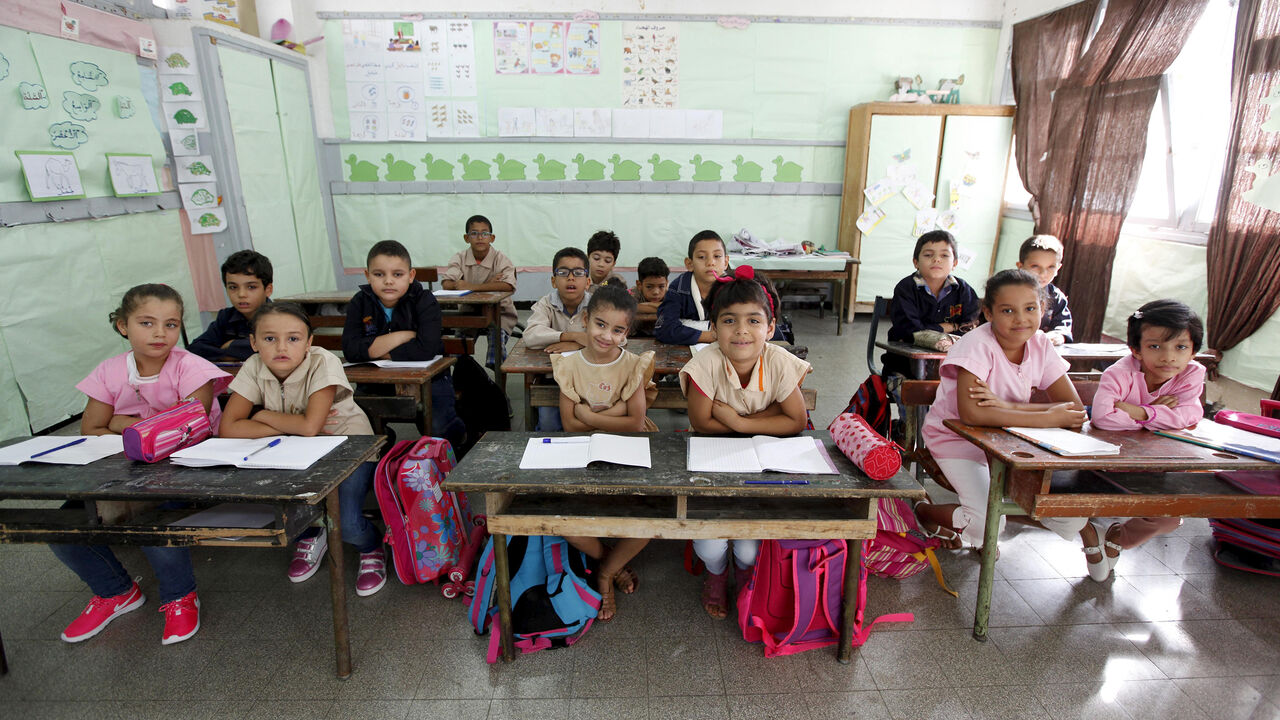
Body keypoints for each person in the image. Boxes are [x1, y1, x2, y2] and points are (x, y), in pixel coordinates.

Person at [58, 284, 231, 645]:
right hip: (125, 468)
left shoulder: (191, 367)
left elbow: (186, 429)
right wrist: (144, 428)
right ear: (123, 326)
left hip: (188, 468)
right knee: (64, 522)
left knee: (154, 517)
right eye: (147, 323)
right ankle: (115, 591)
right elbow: (90, 428)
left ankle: (180, 597)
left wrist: (120, 421)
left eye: (171, 324)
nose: (159, 333)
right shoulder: (109, 371)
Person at [913, 269, 1089, 552]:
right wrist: (1046, 416)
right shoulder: (978, 345)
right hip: (958, 442)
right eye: (1008, 310)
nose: (1020, 319)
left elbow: (1074, 410)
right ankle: (925, 513)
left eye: (1030, 308)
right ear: (989, 313)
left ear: (1043, 309)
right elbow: (972, 415)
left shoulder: (1041, 344)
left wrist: (1008, 406)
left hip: (1010, 444)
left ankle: (996, 519)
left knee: (1071, 518)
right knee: (985, 526)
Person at [220, 303, 388, 595]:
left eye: (294, 338)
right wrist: (290, 425)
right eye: (269, 338)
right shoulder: (253, 366)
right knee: (295, 515)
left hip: (349, 449)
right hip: (294, 450)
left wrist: (261, 415)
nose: (281, 347)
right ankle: (313, 534)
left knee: (347, 523)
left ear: (309, 342)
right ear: (254, 342)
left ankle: (371, 546)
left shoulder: (323, 362)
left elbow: (310, 427)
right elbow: (229, 428)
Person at [678, 266, 810, 619]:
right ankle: (716, 574)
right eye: (728, 321)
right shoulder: (706, 363)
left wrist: (737, 421)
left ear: (770, 327)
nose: (741, 331)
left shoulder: (779, 362)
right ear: (713, 327)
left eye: (754, 321)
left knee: (750, 550)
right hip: (713, 462)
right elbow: (701, 423)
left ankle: (748, 575)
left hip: (762, 465)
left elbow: (797, 420)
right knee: (710, 545)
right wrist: (763, 425)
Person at [550, 284, 657, 621]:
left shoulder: (632, 365)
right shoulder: (568, 365)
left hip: (632, 450)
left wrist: (590, 416)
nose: (606, 335)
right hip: (581, 451)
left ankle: (607, 572)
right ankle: (609, 557)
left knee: (652, 518)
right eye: (600, 324)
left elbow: (636, 423)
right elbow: (568, 425)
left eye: (617, 329)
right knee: (562, 522)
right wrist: (615, 415)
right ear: (585, 319)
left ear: (626, 333)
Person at [1082, 299, 1206, 580]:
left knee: (1171, 518)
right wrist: (1160, 414)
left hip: (1157, 465)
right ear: (1135, 350)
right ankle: (1090, 534)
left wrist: (1139, 411)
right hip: (1106, 465)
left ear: (1194, 351)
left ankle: (1118, 538)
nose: (1168, 357)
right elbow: (1102, 418)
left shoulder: (1193, 373)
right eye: (1155, 346)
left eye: (1180, 347)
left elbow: (1190, 415)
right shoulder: (1119, 373)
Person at [341, 240, 464, 448]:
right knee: (360, 424)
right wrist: (402, 336)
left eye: (397, 274)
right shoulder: (359, 302)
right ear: (367, 275)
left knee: (438, 426)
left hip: (430, 379)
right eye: (379, 274)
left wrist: (374, 350)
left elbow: (426, 349)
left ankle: (458, 439)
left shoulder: (424, 300)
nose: (388, 281)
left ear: (411, 275)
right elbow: (351, 350)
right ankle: (385, 444)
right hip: (375, 381)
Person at [885, 230, 980, 369]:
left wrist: (931, 330)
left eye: (944, 255)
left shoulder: (964, 290)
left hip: (953, 362)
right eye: (928, 255)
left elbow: (972, 327)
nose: (936, 259)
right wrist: (952, 326)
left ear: (955, 263)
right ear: (915, 262)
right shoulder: (905, 289)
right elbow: (910, 331)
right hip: (906, 363)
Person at [524, 247, 594, 430]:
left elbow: (618, 339)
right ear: (554, 281)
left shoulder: (598, 303)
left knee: (588, 423)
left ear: (587, 282)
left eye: (578, 273)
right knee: (549, 424)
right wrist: (572, 336)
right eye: (563, 272)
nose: (570, 278)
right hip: (552, 379)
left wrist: (575, 345)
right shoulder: (546, 303)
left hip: (589, 378)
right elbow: (530, 335)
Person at [440, 214, 518, 365]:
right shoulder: (460, 257)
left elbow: (508, 286)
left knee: (496, 349)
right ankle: (461, 382)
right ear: (466, 238)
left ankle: (498, 385)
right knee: (458, 352)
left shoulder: (500, 258)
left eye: (485, 233)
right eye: (474, 233)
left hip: (499, 314)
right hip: (469, 312)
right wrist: (489, 284)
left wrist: (470, 286)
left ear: (492, 238)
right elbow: (447, 283)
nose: (480, 237)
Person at [187, 250, 273, 362]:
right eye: (233, 287)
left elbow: (272, 348)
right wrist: (229, 355)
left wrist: (231, 344)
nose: (241, 294)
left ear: (268, 290)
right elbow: (195, 349)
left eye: (251, 287)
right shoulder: (226, 317)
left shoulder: (281, 318)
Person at [655, 230, 729, 346]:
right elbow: (664, 329)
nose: (710, 262)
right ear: (689, 264)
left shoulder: (734, 287)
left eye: (717, 256)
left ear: (725, 262)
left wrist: (686, 327)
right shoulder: (678, 288)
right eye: (702, 257)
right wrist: (712, 335)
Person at [1015, 234, 1073, 345]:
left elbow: (1062, 325)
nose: (1043, 274)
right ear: (1020, 266)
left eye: (1051, 267)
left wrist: (1059, 336)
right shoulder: (1006, 292)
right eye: (1035, 266)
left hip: (1041, 352)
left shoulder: (1056, 297)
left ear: (1058, 269)